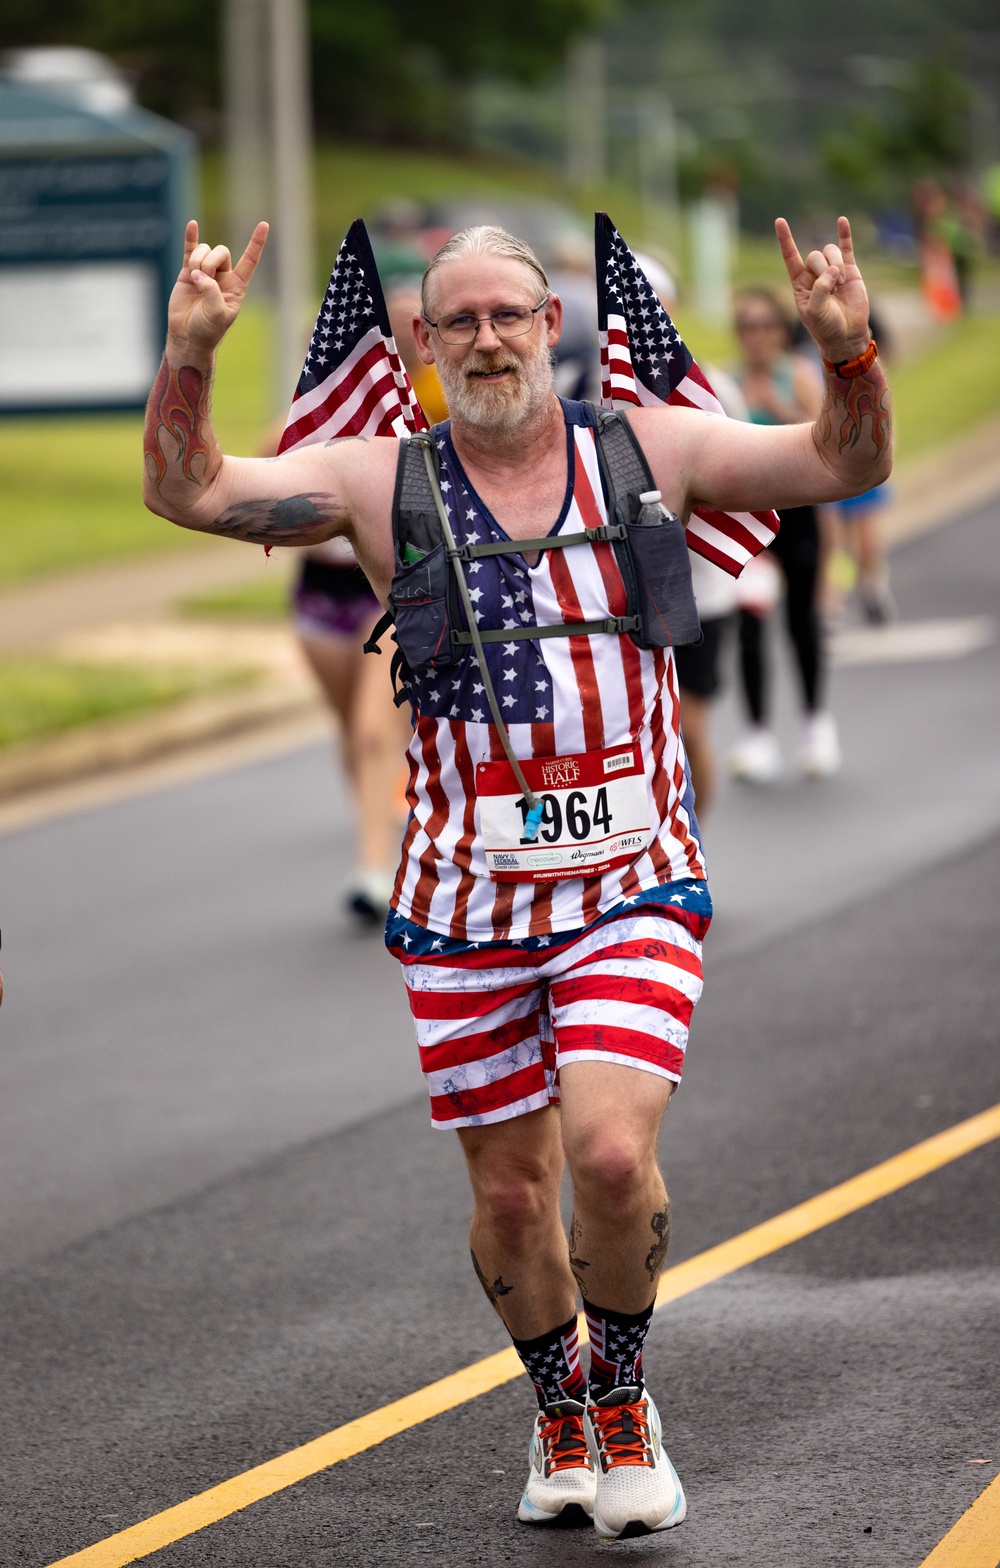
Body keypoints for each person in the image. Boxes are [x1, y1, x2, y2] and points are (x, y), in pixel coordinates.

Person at [143, 212, 891, 1539]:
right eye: (458, 321)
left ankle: (621, 1401)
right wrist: (191, 355)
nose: (487, 338)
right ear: (423, 343)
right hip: (464, 901)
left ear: (554, 327)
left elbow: (840, 463)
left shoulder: (651, 450)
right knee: (509, 1192)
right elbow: (190, 492)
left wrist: (848, 355)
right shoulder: (380, 478)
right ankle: (559, 1401)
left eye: (511, 314)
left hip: (632, 877)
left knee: (607, 1156)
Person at [278, 285, 446, 925]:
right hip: (322, 600)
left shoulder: (408, 429)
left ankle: (375, 868)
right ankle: (384, 819)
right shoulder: (293, 430)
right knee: (352, 731)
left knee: (377, 729)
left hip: (388, 601)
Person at [729, 288, 840, 782]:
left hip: (797, 517)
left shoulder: (796, 374)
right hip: (750, 521)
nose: (755, 336)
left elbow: (827, 449)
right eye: (745, 326)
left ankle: (815, 724)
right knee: (751, 628)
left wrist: (777, 405)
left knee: (801, 623)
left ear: (779, 330)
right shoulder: (727, 385)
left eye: (764, 325)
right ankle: (757, 734)